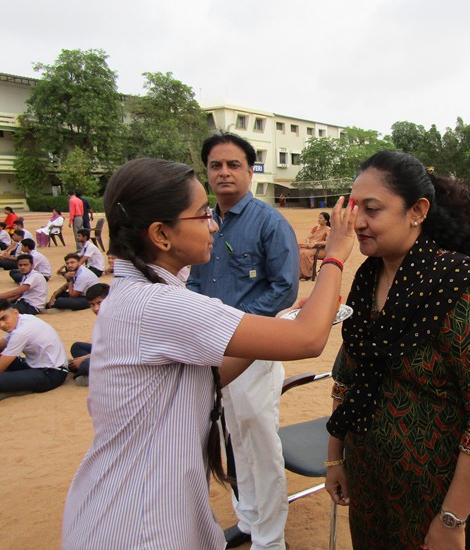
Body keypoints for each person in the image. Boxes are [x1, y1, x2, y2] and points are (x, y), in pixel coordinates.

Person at [62, 157, 357, 549]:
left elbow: (206, 376)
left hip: (132, 501)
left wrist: (277, 324)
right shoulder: (160, 305)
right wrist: (335, 256)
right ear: (161, 235)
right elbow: (309, 340)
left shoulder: (138, 294)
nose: (214, 224)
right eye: (202, 215)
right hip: (138, 520)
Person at [324, 151, 470, 550]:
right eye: (354, 208)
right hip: (368, 482)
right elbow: (347, 378)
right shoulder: (368, 277)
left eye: (372, 209)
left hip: (433, 494)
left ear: (418, 211)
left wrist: (452, 519)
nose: (357, 222)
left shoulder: (461, 290)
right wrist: (336, 458)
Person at [186, 132, 300, 550]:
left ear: (251, 171)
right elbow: (194, 280)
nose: (224, 172)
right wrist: (205, 321)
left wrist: (237, 325)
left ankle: (270, 539)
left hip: (254, 350)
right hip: (213, 349)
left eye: (234, 165)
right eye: (216, 165)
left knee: (260, 440)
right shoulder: (202, 223)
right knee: (232, 436)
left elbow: (285, 288)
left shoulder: (269, 222)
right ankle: (249, 519)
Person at [0, 299, 68, 402]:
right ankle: (16, 382)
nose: (2, 325)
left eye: (4, 318)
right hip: (36, 365)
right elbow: (0, 347)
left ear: (15, 312)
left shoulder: (21, 332)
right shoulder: (22, 319)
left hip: (52, 373)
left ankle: (20, 387)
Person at [68, 283, 109, 387]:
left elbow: (114, 349)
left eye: (99, 303)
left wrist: (84, 359)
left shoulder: (118, 319)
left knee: (85, 364)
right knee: (77, 347)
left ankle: (85, 371)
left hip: (120, 359)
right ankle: (85, 368)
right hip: (105, 353)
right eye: (92, 305)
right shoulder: (102, 317)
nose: (96, 308)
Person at [299, 212, 331, 280]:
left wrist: (315, 243)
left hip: (320, 249)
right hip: (310, 247)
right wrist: (308, 242)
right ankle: (299, 274)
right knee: (298, 251)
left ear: (326, 221)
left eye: (321, 218)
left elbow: (328, 242)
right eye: (318, 217)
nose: (319, 219)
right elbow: (308, 237)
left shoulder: (328, 229)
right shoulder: (315, 228)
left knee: (305, 254)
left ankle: (307, 275)